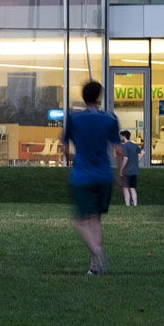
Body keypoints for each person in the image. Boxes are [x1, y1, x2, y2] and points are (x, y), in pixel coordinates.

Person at [61, 79, 120, 276]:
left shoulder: (74, 118)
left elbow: (64, 147)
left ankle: (97, 252)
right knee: (95, 221)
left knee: (80, 221)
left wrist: (70, 159)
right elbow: (118, 150)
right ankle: (94, 268)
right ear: (99, 96)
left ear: (82, 96)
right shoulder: (110, 118)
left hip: (82, 176)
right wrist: (121, 175)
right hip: (104, 175)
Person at [119, 131, 142, 207]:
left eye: (121, 136)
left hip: (127, 170)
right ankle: (135, 204)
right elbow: (143, 152)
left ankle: (127, 205)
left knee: (125, 188)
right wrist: (137, 160)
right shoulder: (134, 145)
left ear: (124, 136)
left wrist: (121, 169)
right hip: (134, 170)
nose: (120, 138)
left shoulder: (125, 146)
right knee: (132, 188)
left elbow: (125, 158)